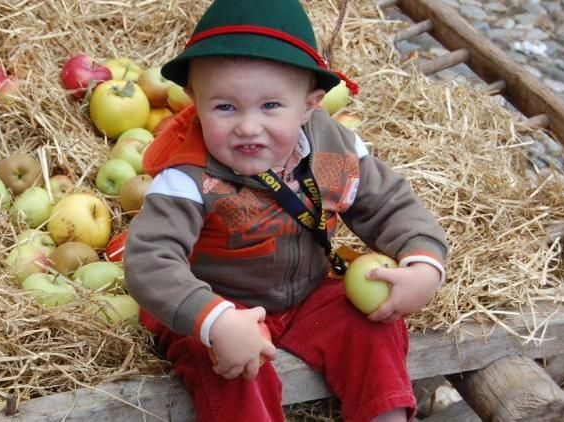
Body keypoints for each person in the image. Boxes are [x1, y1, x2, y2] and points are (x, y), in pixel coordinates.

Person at [123, 1, 448, 420]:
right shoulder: (191, 175)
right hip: (219, 302)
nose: (248, 127)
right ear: (194, 100)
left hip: (308, 295)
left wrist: (423, 262)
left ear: (311, 104)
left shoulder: (328, 150)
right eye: (224, 107)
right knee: (235, 369)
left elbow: (386, 204)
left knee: (373, 326)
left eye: (271, 106)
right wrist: (213, 320)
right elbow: (149, 261)